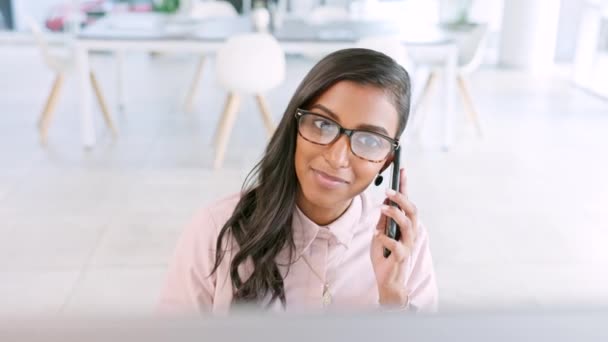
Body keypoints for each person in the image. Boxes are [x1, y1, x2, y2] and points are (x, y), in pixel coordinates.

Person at [158, 48, 438, 315]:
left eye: (368, 140)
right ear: (295, 126)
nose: (338, 158)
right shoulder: (214, 229)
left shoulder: (403, 245)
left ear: (388, 160)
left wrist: (393, 299)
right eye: (323, 124)